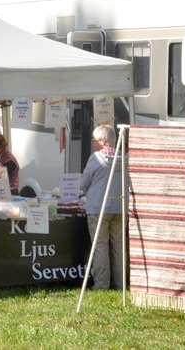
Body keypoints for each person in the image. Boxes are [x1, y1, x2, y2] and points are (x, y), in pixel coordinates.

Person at [80, 124, 126, 290]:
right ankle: (120, 284)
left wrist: (88, 192)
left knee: (100, 247)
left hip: (98, 207)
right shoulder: (125, 158)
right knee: (119, 247)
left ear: (103, 140)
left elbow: (84, 183)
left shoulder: (96, 158)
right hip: (120, 207)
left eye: (94, 139)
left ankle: (102, 284)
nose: (92, 142)